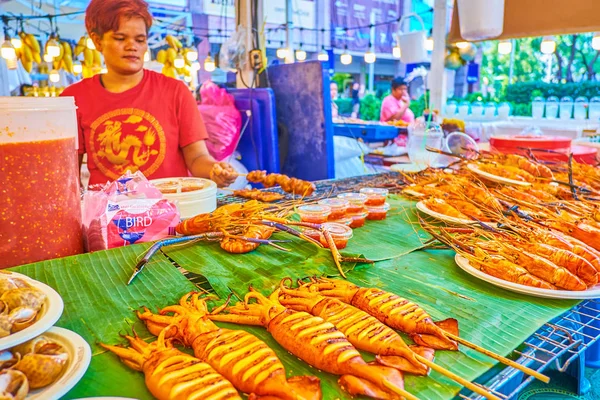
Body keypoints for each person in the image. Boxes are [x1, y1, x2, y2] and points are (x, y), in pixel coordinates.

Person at [61, 0, 237, 188]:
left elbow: (197, 157)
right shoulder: (73, 99)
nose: (132, 46)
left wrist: (214, 170)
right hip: (108, 215)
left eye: (140, 39)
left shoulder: (176, 92)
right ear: (97, 41)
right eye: (120, 38)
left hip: (171, 212)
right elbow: (66, 172)